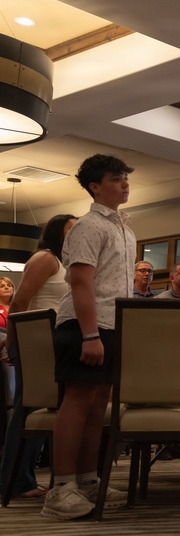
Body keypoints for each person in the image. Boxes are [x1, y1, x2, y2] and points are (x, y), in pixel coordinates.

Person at [43, 154, 135, 520]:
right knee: (78, 401)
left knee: (98, 405)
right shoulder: (88, 225)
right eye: (116, 179)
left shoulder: (124, 228)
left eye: (125, 178)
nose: (124, 184)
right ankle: (60, 488)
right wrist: (90, 334)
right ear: (95, 187)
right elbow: (81, 282)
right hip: (84, 326)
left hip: (111, 324)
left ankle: (87, 480)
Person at [1, 214, 76, 502]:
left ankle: (21, 478)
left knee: (39, 412)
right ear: (57, 232)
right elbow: (20, 301)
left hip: (50, 342)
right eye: (71, 228)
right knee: (28, 410)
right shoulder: (46, 258)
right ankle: (14, 481)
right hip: (35, 341)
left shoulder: (65, 262)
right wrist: (12, 339)